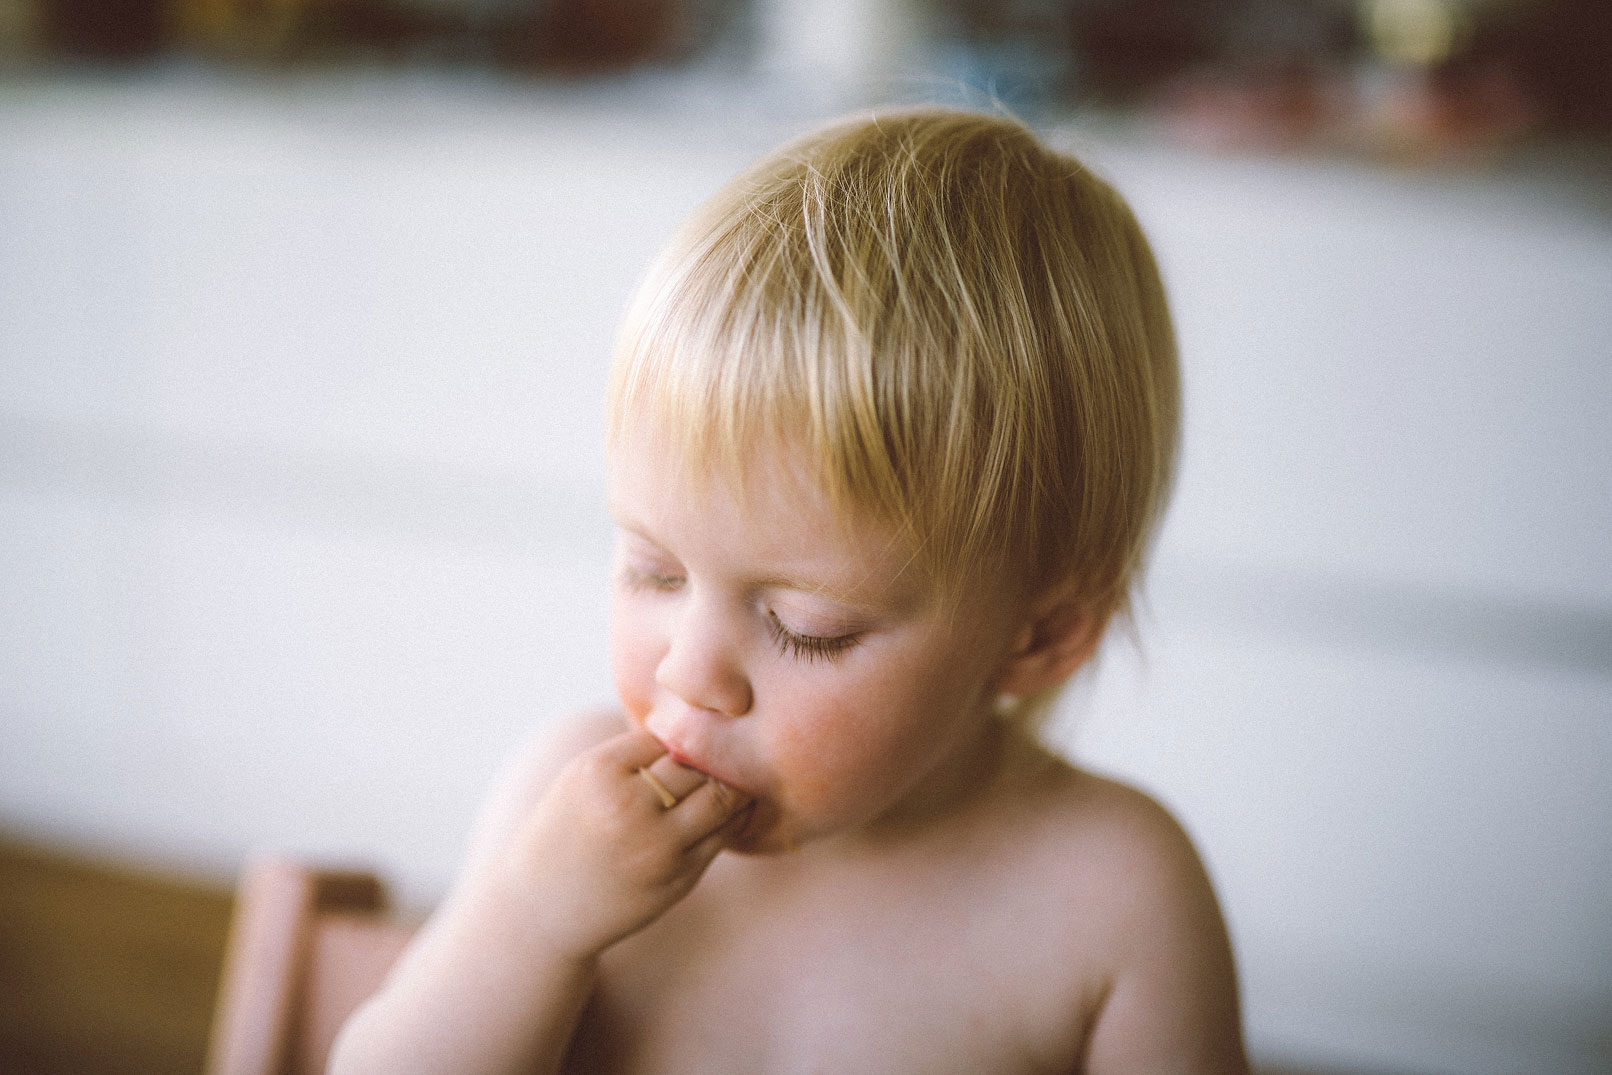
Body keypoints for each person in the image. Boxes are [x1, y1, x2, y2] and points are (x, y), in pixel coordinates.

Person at [329, 107, 1248, 1075]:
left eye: (806, 628)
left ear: (1038, 637)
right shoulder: (560, 813)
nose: (690, 672)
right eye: (653, 570)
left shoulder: (1116, 897)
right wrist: (529, 925)